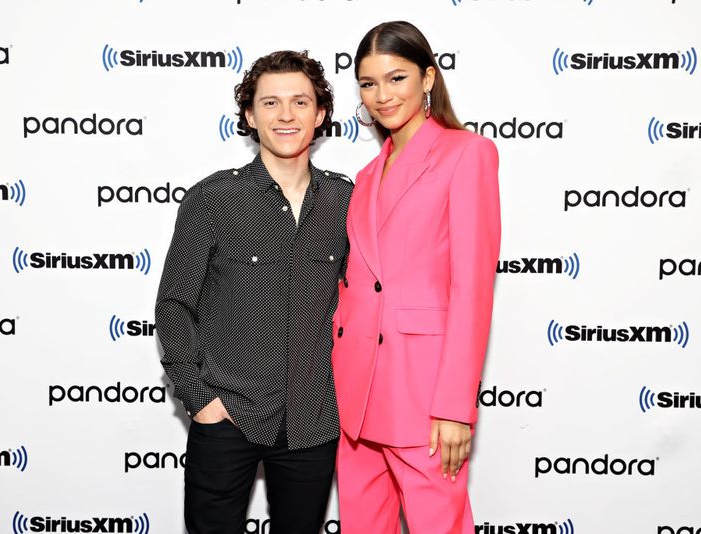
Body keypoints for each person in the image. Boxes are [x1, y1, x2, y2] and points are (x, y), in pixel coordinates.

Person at [154, 50, 352, 534]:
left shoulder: (348, 202)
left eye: (300, 102)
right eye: (271, 103)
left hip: (315, 420)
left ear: (320, 113)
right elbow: (175, 305)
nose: (286, 115)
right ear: (249, 115)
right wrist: (199, 399)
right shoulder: (213, 198)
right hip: (227, 416)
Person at [331, 21, 501, 534]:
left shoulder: (466, 153)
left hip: (423, 395)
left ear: (428, 78)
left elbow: (471, 289)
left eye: (396, 78)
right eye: (368, 83)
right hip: (354, 398)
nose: (382, 96)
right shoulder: (365, 175)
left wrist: (455, 407)